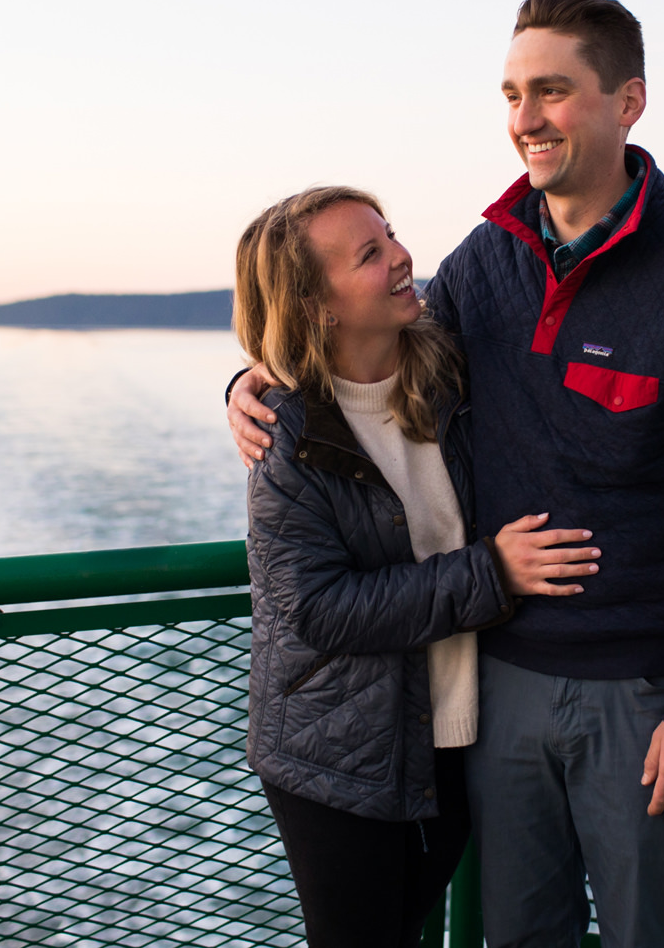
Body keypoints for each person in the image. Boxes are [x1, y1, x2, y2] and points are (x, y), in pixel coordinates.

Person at [230, 0, 664, 947]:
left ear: (628, 102)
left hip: (642, 697)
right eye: (510, 94)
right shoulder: (487, 262)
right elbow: (356, 348)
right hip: (497, 690)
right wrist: (255, 381)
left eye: (552, 91)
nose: (525, 119)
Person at [234, 184, 602, 948]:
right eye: (370, 254)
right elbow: (321, 610)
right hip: (341, 753)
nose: (402, 257)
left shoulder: (453, 376)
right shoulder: (286, 438)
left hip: (459, 737)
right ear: (317, 306)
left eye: (391, 234)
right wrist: (491, 573)